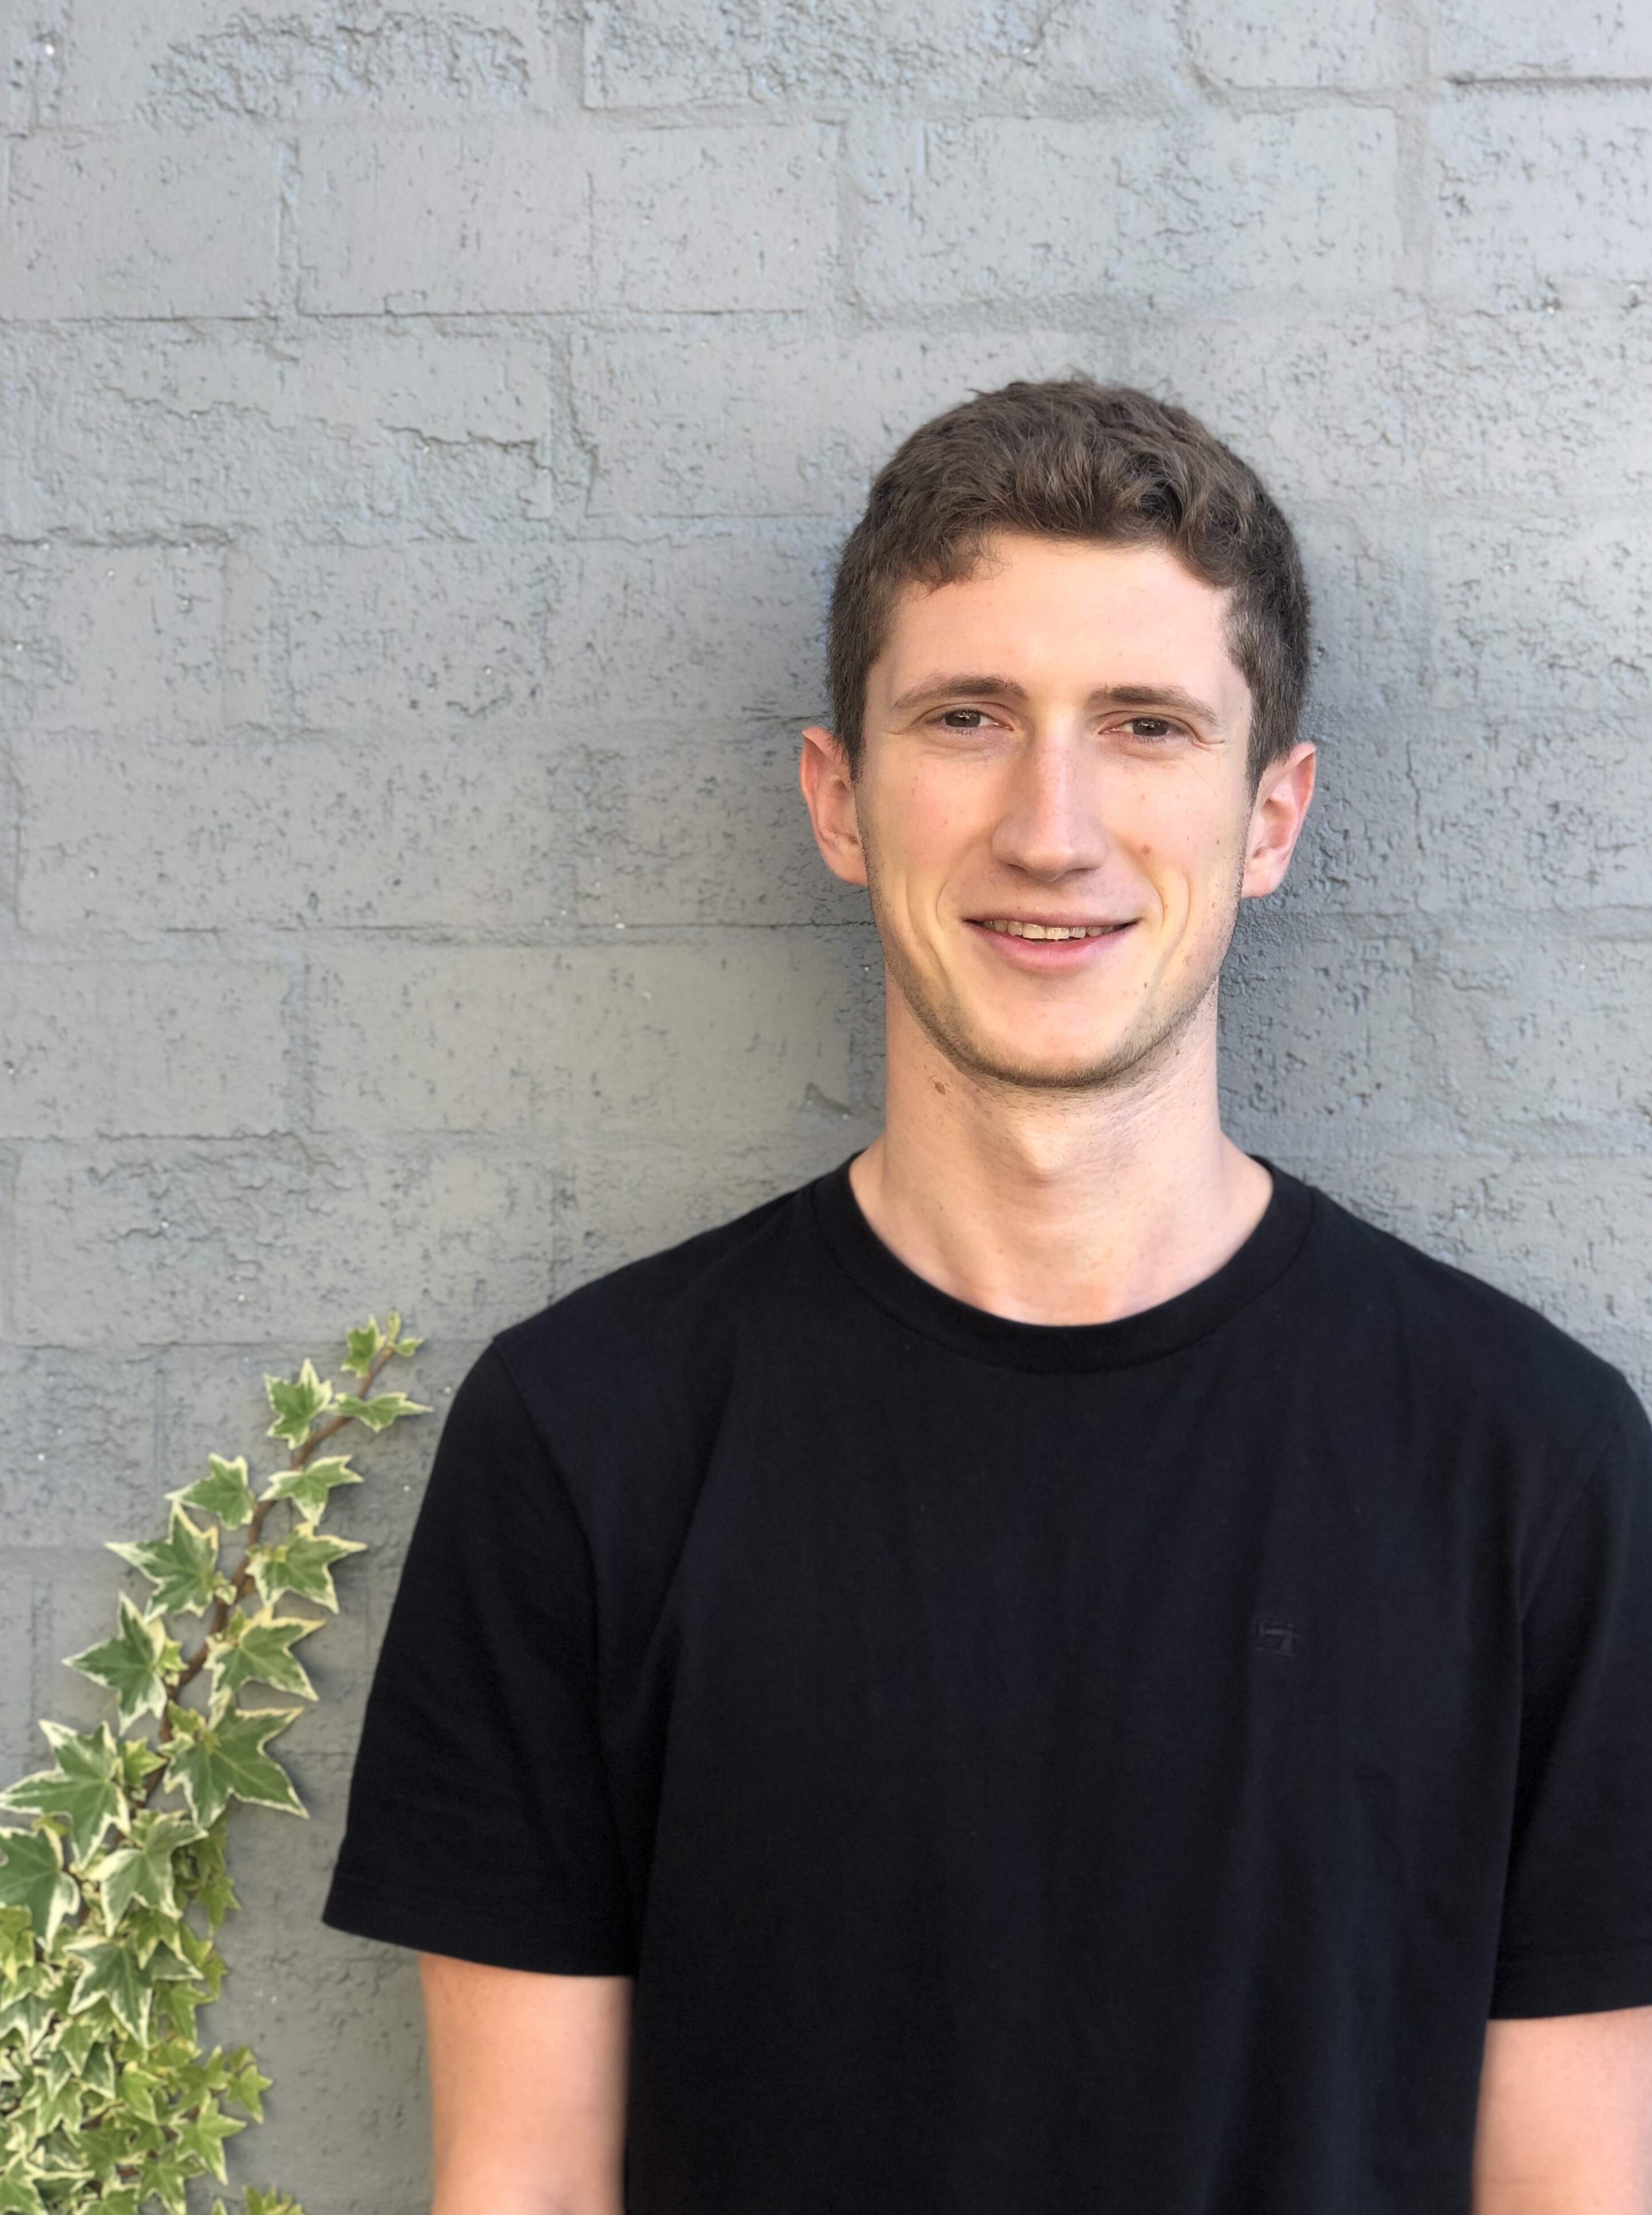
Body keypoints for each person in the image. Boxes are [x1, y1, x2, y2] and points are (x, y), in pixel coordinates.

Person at [320, 380, 1652, 2214]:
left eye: (1148, 726)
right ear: (838, 797)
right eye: (967, 718)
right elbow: (523, 2186)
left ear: (1274, 815)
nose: (1055, 825)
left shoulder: (1538, 1469)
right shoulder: (587, 1440)